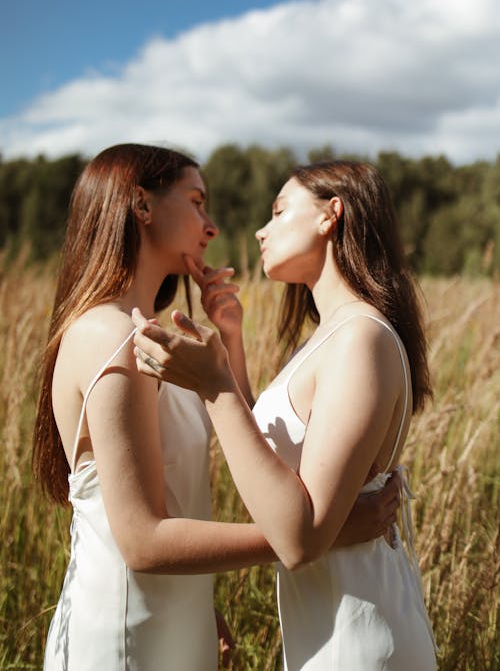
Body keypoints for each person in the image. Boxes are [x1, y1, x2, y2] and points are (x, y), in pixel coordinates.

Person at [33, 145, 401, 671]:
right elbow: (139, 540)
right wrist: (320, 535)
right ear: (141, 204)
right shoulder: (106, 334)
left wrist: (229, 336)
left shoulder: (153, 337)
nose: (211, 226)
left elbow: (243, 445)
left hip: (175, 617)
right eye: (197, 201)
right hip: (124, 632)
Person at [133, 159, 438, 670]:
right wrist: (230, 340)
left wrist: (215, 387)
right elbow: (276, 465)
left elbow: (299, 540)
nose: (260, 229)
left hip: (360, 635)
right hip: (329, 623)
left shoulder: (360, 338)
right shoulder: (332, 336)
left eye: (278, 211)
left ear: (330, 216)